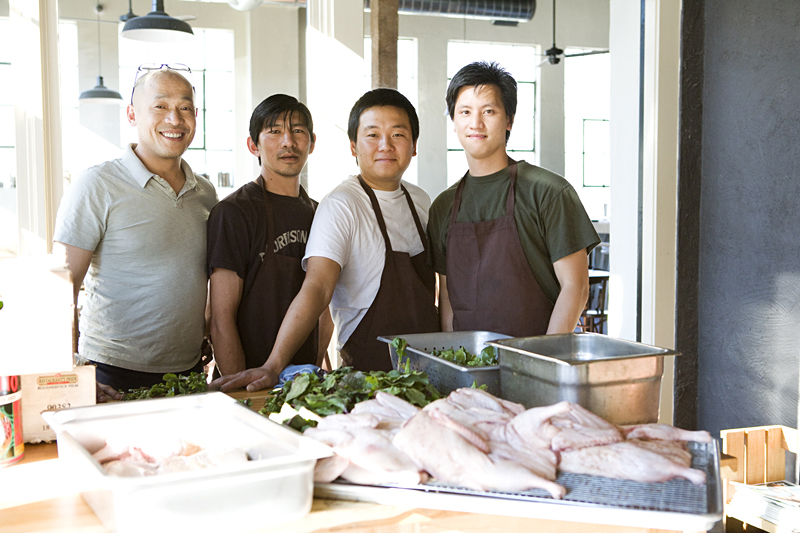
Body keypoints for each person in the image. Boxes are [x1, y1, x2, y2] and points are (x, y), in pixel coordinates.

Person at [212, 88, 439, 392]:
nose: (385, 145)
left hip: (429, 372)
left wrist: (317, 364)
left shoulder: (420, 201)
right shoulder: (339, 205)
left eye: (398, 134)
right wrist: (265, 372)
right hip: (369, 378)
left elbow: (325, 313)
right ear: (353, 146)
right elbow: (317, 288)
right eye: (373, 135)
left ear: (414, 146)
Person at [54, 65, 218, 402]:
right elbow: (59, 289)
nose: (175, 119)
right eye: (160, 106)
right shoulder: (97, 185)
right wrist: (73, 372)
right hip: (110, 373)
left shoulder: (205, 192)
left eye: (185, 108)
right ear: (132, 115)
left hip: (188, 372)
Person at [427, 61, 600, 336]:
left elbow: (575, 287)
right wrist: (451, 355)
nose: (476, 123)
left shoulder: (548, 192)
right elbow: (448, 297)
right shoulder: (443, 207)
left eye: (489, 111)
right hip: (466, 361)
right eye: (465, 112)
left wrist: (543, 357)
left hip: (537, 357)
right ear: (454, 122)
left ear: (509, 120)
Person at [206, 94, 332, 378]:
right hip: (248, 378)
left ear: (312, 143)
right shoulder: (234, 213)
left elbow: (325, 309)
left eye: (297, 131)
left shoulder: (322, 214)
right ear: (254, 146)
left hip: (303, 383)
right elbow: (221, 319)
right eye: (274, 131)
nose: (288, 142)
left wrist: (312, 369)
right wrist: (242, 388)